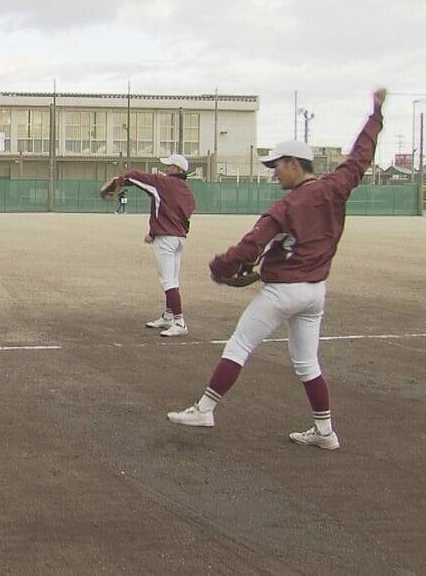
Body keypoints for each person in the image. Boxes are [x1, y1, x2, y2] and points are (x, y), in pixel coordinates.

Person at [166, 89, 387, 452]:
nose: (274, 172)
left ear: (295, 163)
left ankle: (205, 408)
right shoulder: (335, 188)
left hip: (282, 291)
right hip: (315, 292)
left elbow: (249, 247)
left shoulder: (285, 207)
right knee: (306, 363)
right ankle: (324, 431)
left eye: (277, 165)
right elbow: (360, 158)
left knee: (239, 345)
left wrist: (219, 267)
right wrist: (375, 115)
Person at [106, 154, 197, 337]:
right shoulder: (187, 191)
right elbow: (183, 215)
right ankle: (169, 315)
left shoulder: (163, 183)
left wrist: (118, 182)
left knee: (167, 280)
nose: (166, 169)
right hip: (179, 238)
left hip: (166, 239)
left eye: (170, 166)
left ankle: (179, 322)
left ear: (178, 169)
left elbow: (135, 176)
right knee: (173, 279)